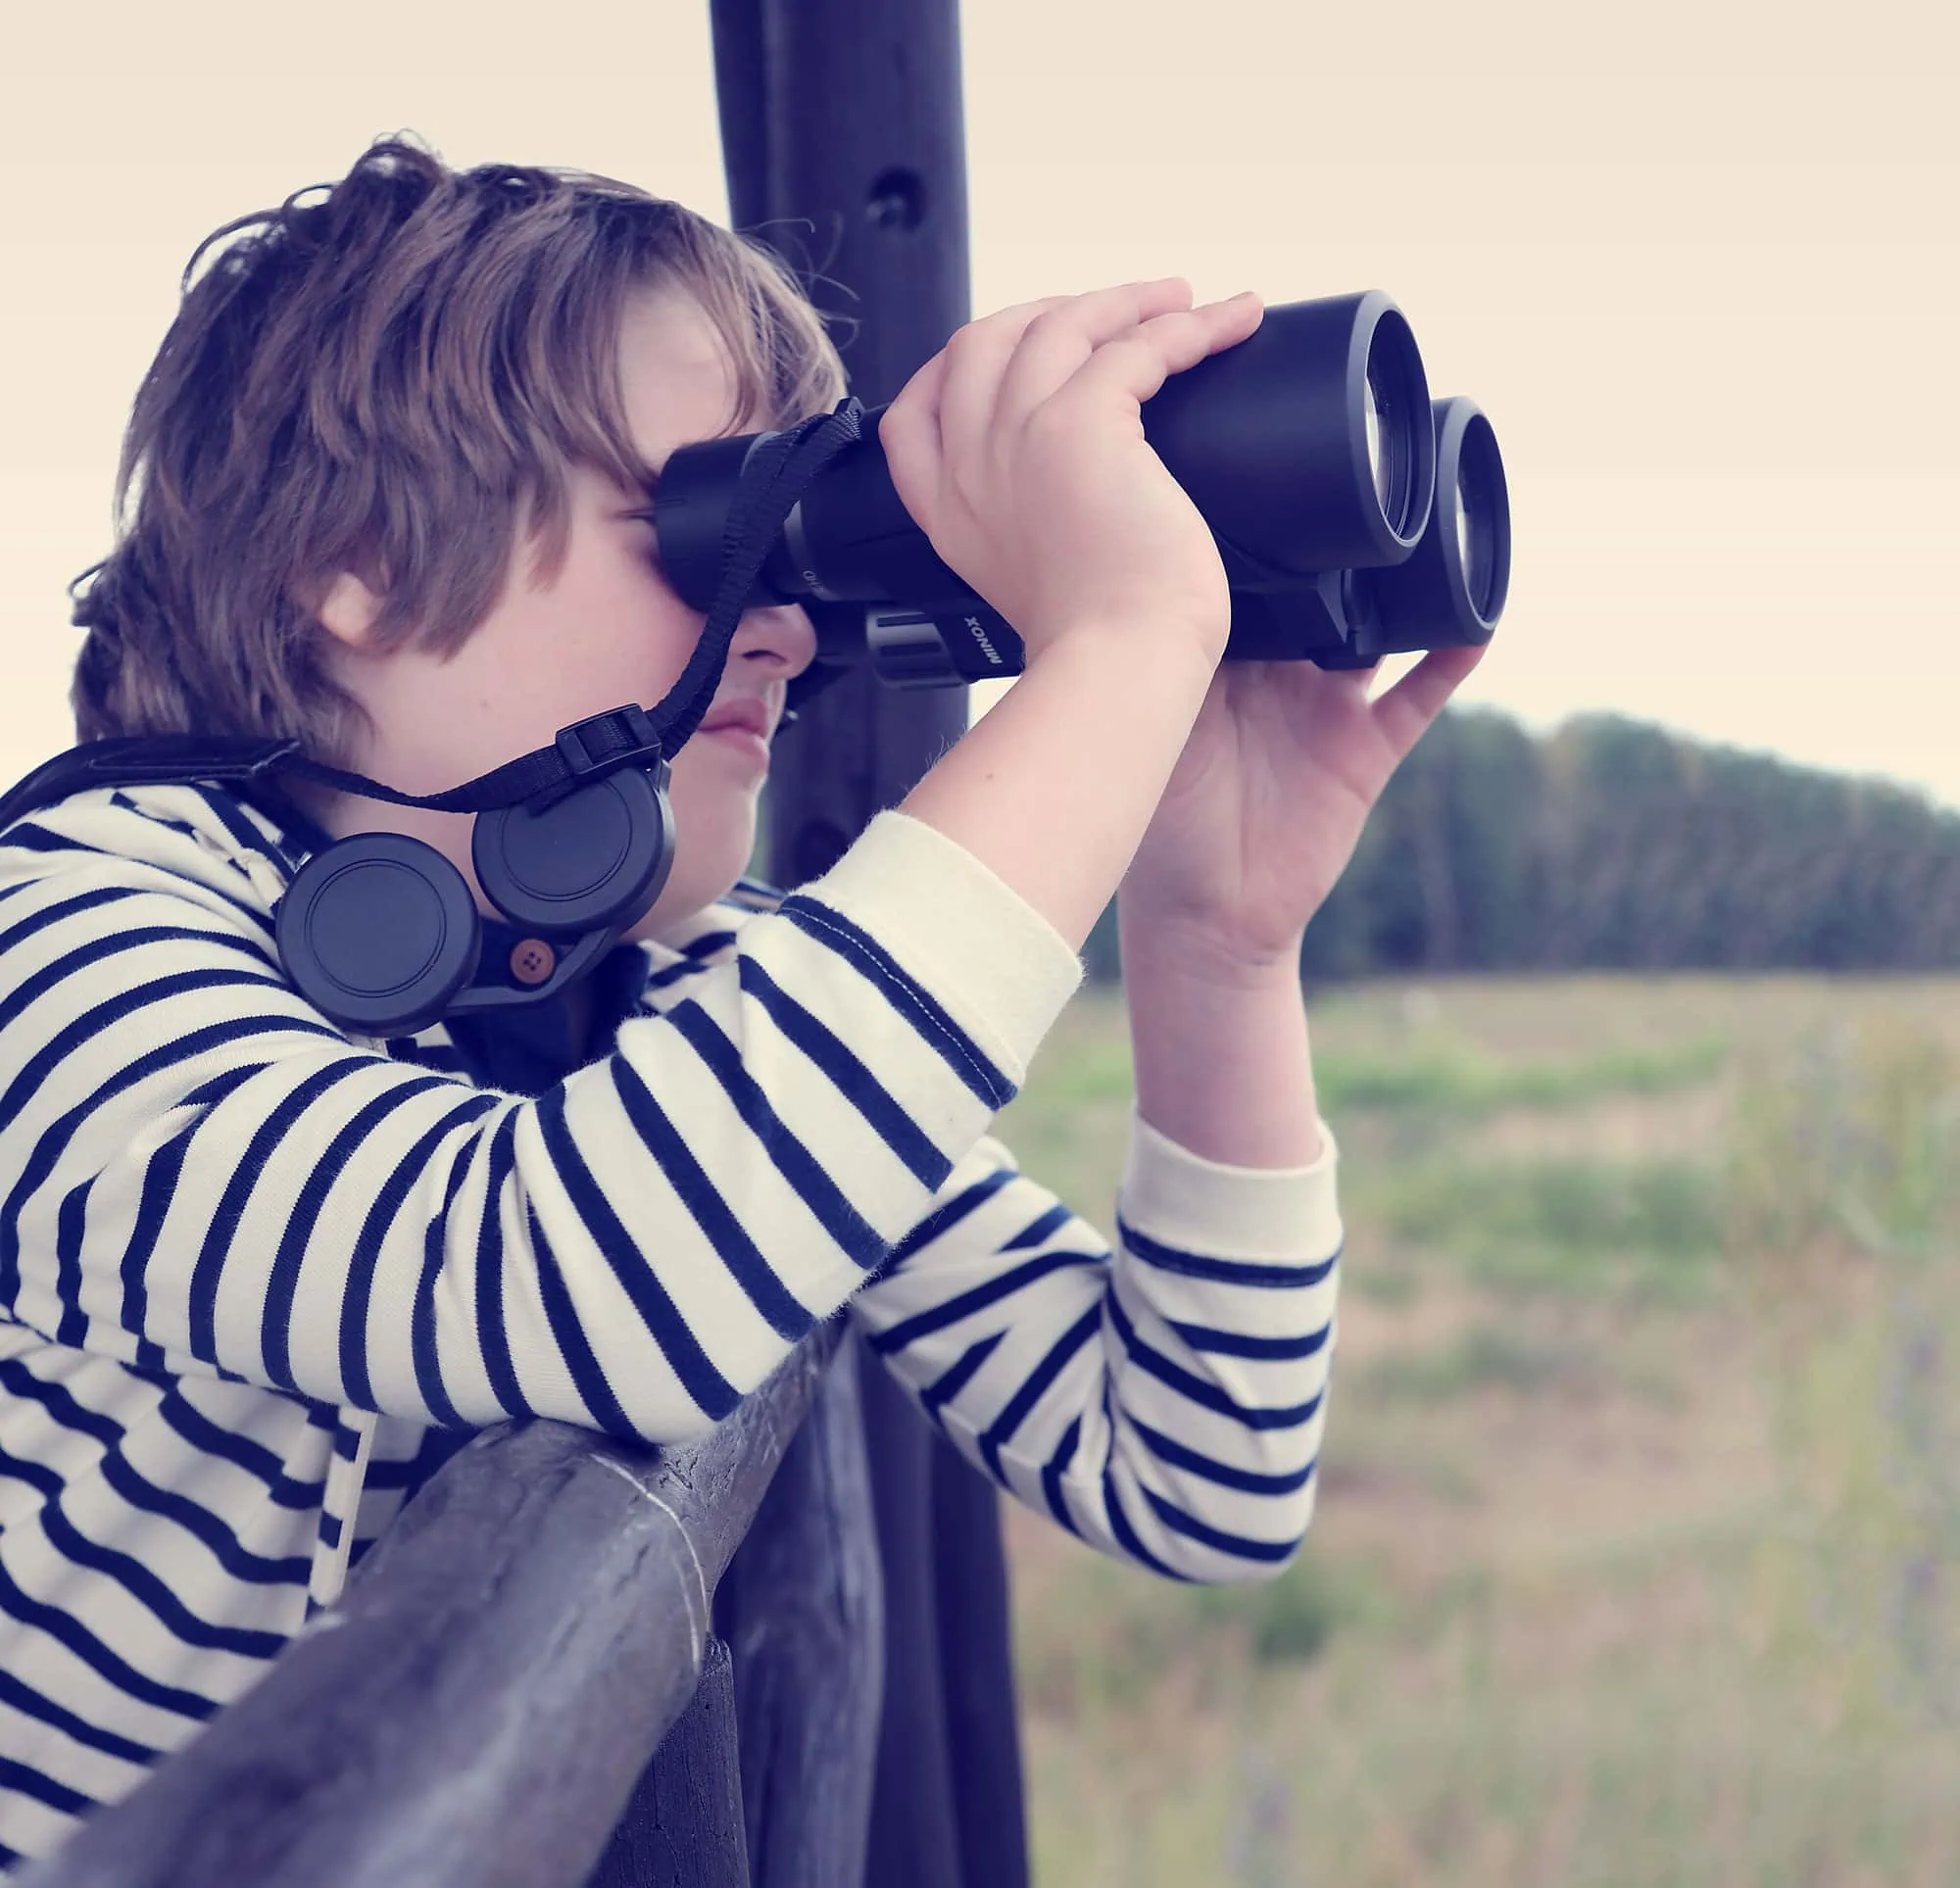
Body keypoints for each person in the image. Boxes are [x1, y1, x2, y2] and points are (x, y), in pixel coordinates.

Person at [0, 136, 1480, 1869]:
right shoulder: (70, 934)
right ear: (358, 556)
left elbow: (1199, 1467)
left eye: (797, 539)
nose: (779, 621)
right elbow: (560, 1272)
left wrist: (1219, 941)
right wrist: (1119, 646)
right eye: (695, 527)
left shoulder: (678, 988)